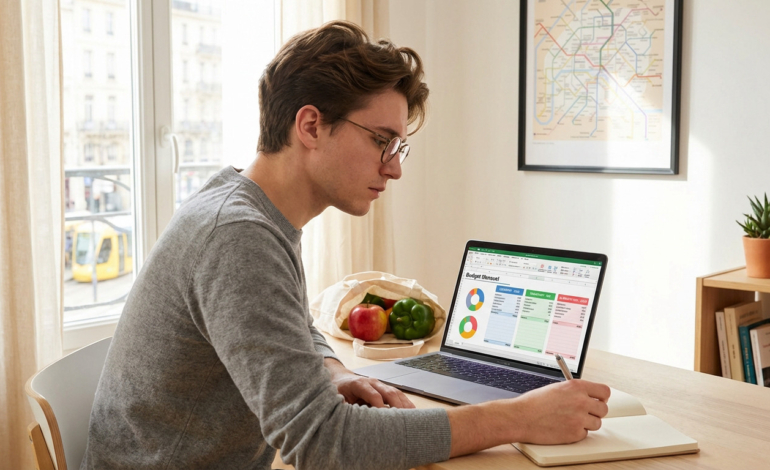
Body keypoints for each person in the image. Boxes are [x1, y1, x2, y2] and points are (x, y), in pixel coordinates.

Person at [81, 20, 610, 470]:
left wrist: (330, 368)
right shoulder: (238, 236)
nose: (395, 167)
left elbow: (287, 327)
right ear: (311, 125)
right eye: (382, 141)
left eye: (399, 146)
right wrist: (516, 417)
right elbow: (321, 442)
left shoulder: (239, 204)